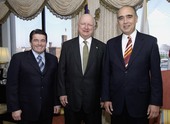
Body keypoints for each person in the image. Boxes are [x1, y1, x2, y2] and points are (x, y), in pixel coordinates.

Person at [101, 5, 163, 124]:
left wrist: (155, 102)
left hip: (140, 105)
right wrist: (106, 98)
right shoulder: (110, 44)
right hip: (116, 105)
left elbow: (155, 76)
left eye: (129, 17)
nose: (125, 21)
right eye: (121, 18)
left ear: (136, 18)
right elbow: (106, 74)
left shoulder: (150, 42)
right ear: (118, 21)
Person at [58, 14, 105, 124]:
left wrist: (104, 97)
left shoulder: (102, 47)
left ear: (94, 28)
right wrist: (62, 93)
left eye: (90, 25)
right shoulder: (67, 46)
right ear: (78, 26)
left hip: (94, 102)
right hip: (71, 100)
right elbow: (61, 72)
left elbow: (105, 75)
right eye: (83, 24)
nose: (86, 27)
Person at [6, 29, 60, 124]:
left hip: (47, 111)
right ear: (30, 42)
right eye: (36, 40)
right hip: (25, 111)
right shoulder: (18, 58)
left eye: (42, 40)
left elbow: (55, 84)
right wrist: (14, 108)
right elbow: (11, 86)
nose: (39, 43)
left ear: (46, 42)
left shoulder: (53, 59)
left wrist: (56, 103)